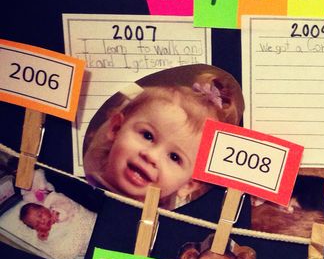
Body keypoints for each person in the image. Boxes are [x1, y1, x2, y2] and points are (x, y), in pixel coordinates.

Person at [83, 65, 244, 210]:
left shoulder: (166, 230)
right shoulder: (70, 192)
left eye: (174, 157)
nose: (151, 156)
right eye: (147, 135)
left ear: (189, 184)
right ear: (116, 128)